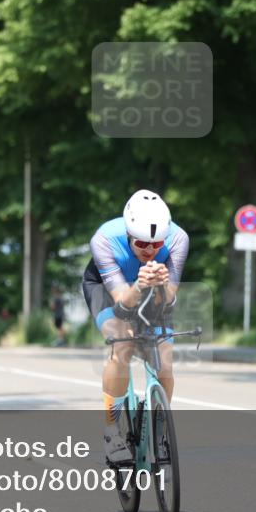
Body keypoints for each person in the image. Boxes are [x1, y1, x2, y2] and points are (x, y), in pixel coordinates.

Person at [82, 190, 188, 464]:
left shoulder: (178, 239)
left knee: (165, 360)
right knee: (123, 344)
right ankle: (112, 430)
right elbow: (122, 304)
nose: (150, 250)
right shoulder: (104, 239)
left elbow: (170, 299)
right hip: (108, 291)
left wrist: (163, 285)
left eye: (156, 245)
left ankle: (161, 431)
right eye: (141, 243)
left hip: (153, 290)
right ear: (129, 234)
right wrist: (140, 283)